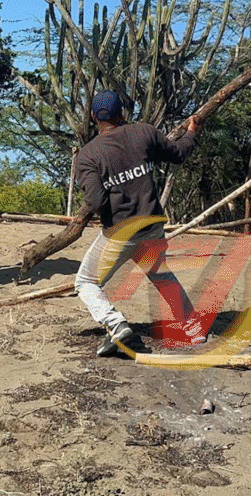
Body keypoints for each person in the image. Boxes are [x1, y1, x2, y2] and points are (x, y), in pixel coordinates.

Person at [74, 90, 205, 356]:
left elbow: (96, 201)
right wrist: (191, 132)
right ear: (121, 112)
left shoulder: (88, 155)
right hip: (152, 226)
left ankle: (114, 323)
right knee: (161, 276)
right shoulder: (144, 132)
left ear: (93, 117)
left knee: (85, 281)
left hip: (120, 233)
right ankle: (194, 329)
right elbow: (179, 153)